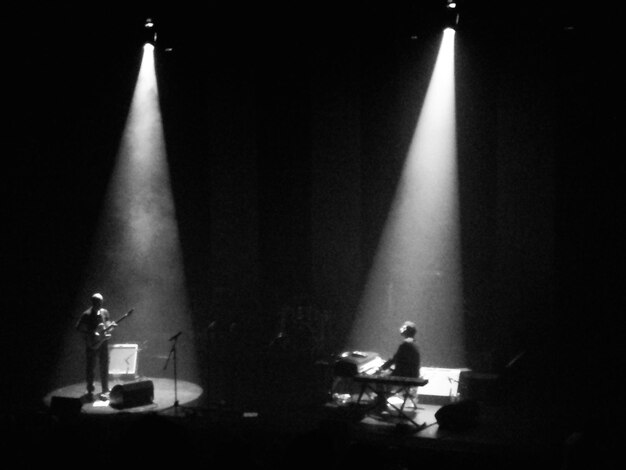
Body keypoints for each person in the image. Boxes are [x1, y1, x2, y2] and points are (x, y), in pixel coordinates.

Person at [75, 293, 117, 400]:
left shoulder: (104, 312)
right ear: (93, 302)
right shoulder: (87, 314)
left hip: (103, 343)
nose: (99, 304)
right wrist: (91, 334)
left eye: (101, 302)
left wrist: (111, 327)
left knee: (104, 365)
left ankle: (105, 389)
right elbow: (79, 328)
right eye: (97, 302)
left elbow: (107, 327)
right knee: (91, 367)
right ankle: (90, 390)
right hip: (92, 344)